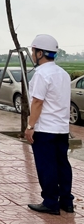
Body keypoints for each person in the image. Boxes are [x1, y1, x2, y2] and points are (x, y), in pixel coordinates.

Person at [25, 34, 73, 216]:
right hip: (62, 128)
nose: (32, 54)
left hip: (45, 128)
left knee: (47, 166)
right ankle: (66, 201)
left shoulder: (41, 74)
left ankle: (51, 202)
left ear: (40, 53)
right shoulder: (63, 74)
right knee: (62, 164)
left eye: (33, 51)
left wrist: (30, 127)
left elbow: (37, 102)